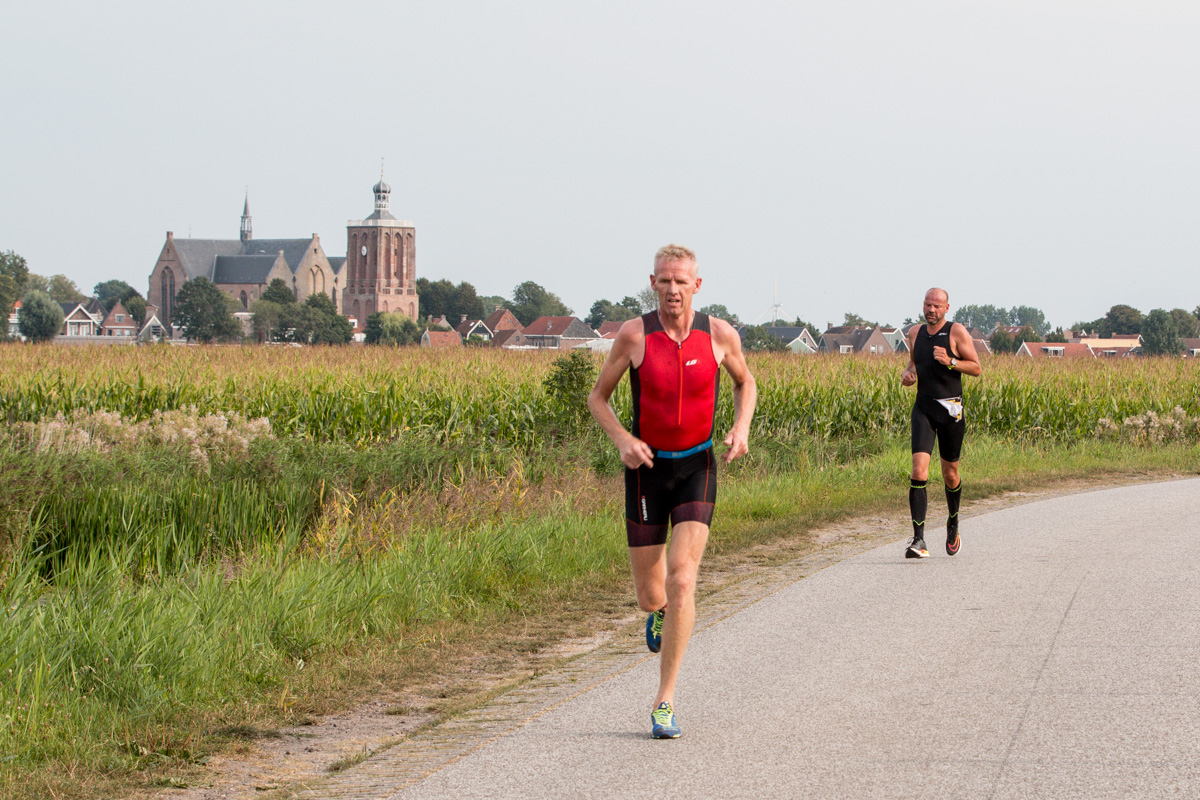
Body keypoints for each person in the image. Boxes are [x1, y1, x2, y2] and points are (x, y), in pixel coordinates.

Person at [588, 244, 756, 739]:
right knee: (650, 594)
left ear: (697, 286)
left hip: (697, 465)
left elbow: (746, 383)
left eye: (681, 281)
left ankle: (665, 701)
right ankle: (658, 612)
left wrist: (741, 427)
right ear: (653, 284)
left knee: (683, 579)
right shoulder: (634, 335)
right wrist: (623, 440)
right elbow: (598, 398)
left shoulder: (719, 335)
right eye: (664, 280)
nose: (673, 289)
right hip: (646, 468)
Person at [900, 287, 982, 558]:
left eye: (937, 306)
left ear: (946, 308)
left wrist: (950, 361)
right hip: (923, 409)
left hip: (951, 411)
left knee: (950, 474)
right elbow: (913, 363)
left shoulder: (956, 332)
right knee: (918, 470)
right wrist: (907, 374)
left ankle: (953, 522)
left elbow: (976, 368)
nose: (931, 310)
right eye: (928, 305)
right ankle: (919, 540)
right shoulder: (915, 333)